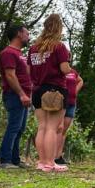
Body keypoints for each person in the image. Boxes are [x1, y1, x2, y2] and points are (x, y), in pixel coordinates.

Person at [28, 14, 73, 173]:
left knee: (42, 127)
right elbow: (64, 69)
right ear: (58, 28)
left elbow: (28, 71)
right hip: (55, 90)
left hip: (38, 90)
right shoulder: (59, 47)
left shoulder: (33, 48)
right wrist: (70, 66)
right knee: (53, 128)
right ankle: (50, 163)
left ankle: (41, 162)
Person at [0, 24, 32, 168]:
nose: (28, 36)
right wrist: (22, 94)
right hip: (15, 95)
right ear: (19, 34)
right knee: (14, 127)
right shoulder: (8, 53)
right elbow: (10, 76)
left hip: (23, 96)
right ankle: (5, 160)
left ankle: (15, 160)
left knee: (20, 128)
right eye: (27, 33)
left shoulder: (19, 54)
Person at [55, 66, 83, 165]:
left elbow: (80, 81)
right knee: (58, 128)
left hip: (71, 102)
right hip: (60, 102)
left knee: (64, 131)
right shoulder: (58, 69)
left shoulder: (73, 71)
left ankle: (59, 156)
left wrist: (75, 90)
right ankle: (53, 156)